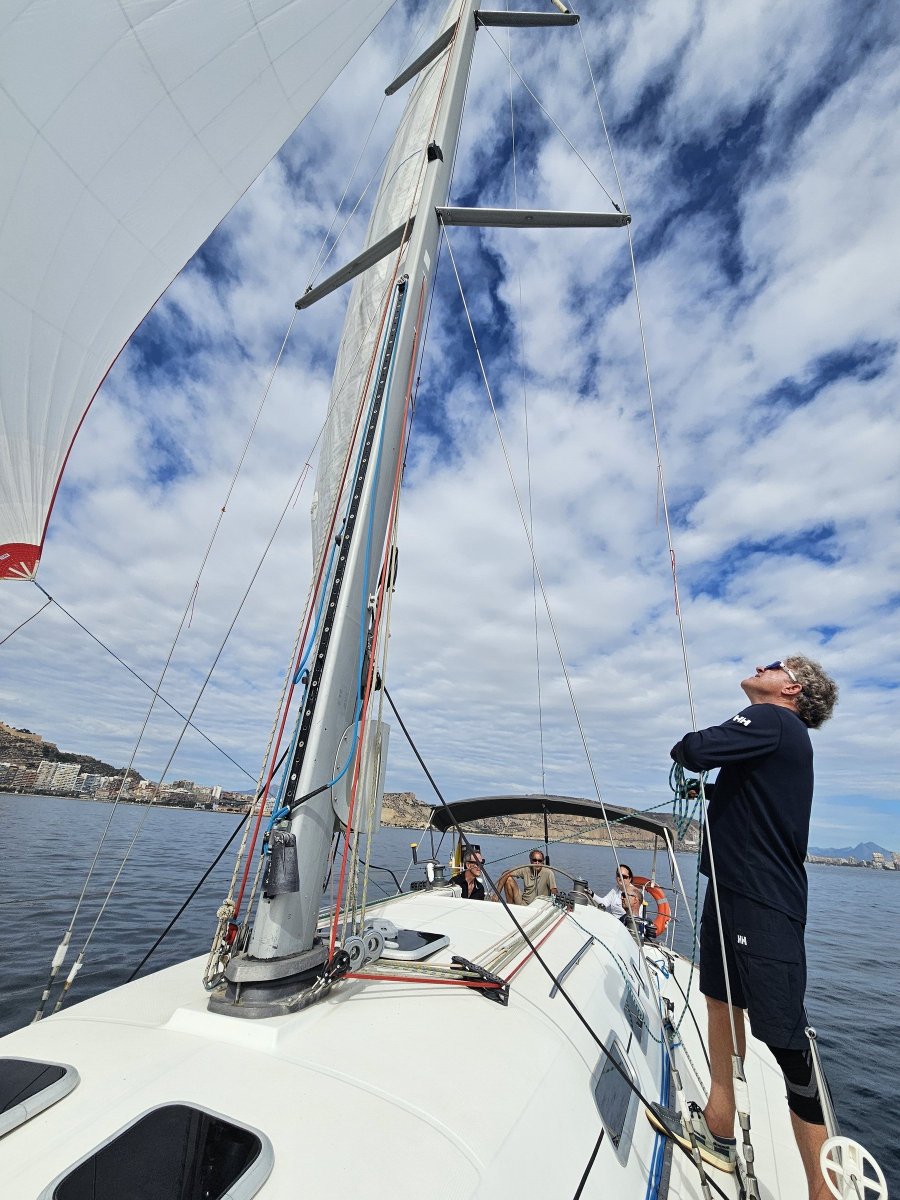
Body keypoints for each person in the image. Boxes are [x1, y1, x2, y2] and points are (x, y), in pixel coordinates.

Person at [648, 656, 838, 1199]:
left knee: (784, 1040)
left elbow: (692, 749)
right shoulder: (776, 737)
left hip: (762, 902)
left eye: (774, 665)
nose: (761, 665)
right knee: (717, 997)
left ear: (791, 687)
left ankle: (822, 1192)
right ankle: (718, 1119)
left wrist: (698, 759)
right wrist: (708, 795)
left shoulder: (776, 722)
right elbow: (752, 798)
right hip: (734, 893)